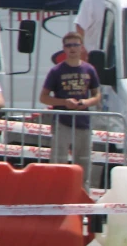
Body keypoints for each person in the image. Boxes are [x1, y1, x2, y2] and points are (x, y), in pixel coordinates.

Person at [39, 32, 101, 187]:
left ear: (81, 48)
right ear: (63, 49)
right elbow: (44, 97)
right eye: (69, 45)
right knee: (58, 162)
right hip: (62, 122)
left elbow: (97, 95)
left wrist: (86, 102)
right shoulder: (56, 71)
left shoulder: (89, 69)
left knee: (84, 163)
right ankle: (56, 197)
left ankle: (82, 201)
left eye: (76, 45)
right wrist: (63, 102)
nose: (72, 48)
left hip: (83, 122)